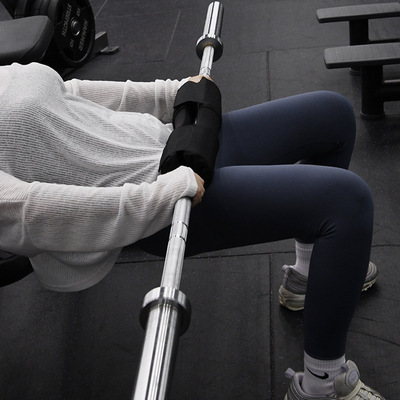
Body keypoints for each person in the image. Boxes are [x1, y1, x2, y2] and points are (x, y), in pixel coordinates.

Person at [0, 62, 384, 399]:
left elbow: (69, 93)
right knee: (345, 203)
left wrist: (177, 93)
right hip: (164, 200)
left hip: (177, 143)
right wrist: (164, 193)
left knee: (332, 114)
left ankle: (309, 275)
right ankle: (322, 384)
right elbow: (32, 212)